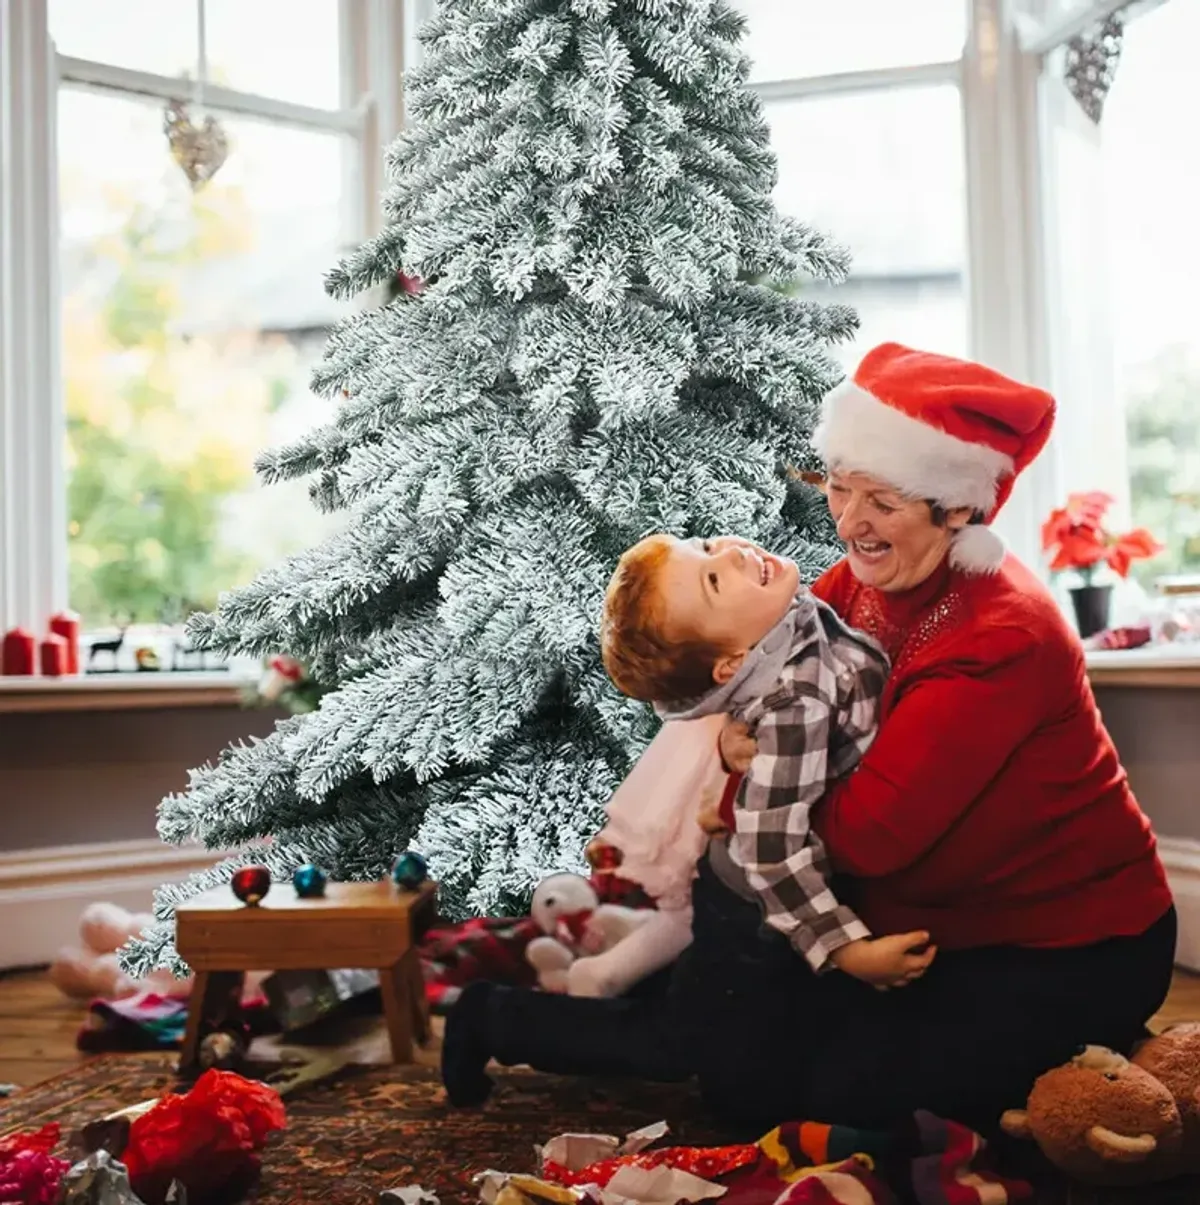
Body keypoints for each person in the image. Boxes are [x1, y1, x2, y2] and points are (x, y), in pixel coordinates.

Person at [441, 342, 1177, 1136]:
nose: (850, 521)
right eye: (840, 487)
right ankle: (518, 1017)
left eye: (882, 500)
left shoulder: (1002, 634)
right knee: (740, 1065)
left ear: (956, 506)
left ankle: (1081, 1060)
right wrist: (734, 754)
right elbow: (744, 681)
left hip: (1058, 942)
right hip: (869, 918)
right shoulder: (863, 577)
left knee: (815, 1089)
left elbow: (871, 834)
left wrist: (738, 792)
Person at [596, 531, 934, 990]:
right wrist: (846, 950)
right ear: (732, 664)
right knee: (694, 1037)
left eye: (707, 546)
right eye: (714, 581)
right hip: (752, 905)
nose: (733, 552)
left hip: (747, 883)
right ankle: (579, 987)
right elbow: (771, 849)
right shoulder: (795, 705)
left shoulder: (775, 623)